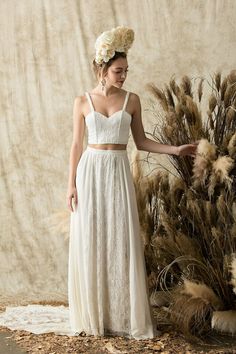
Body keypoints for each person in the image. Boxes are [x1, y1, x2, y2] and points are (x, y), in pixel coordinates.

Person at [67, 26, 197, 340]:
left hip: (117, 170)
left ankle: (120, 314)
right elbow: (75, 145)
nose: (123, 76)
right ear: (102, 69)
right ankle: (93, 316)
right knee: (91, 237)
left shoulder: (132, 100)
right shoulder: (82, 101)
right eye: (118, 71)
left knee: (119, 240)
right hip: (91, 171)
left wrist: (175, 150)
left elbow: (141, 141)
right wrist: (70, 184)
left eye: (126, 71)